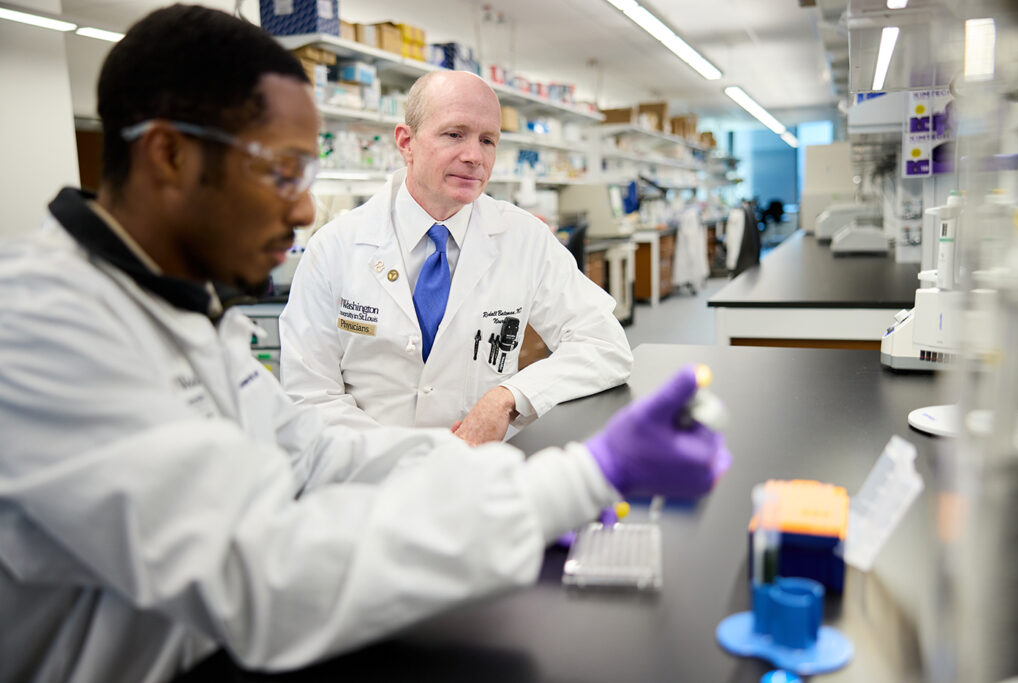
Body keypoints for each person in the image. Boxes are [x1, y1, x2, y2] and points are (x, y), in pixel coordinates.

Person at [0, 6, 731, 682]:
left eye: (309, 171)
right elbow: (262, 574)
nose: (305, 205)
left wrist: (511, 485)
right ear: (168, 156)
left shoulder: (188, 311)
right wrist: (572, 484)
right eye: (282, 169)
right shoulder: (39, 326)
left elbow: (314, 454)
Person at [278, 69, 633, 445]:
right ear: (406, 141)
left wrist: (508, 398)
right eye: (454, 134)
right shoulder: (334, 248)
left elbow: (605, 345)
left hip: (481, 473)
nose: (474, 157)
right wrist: (400, 457)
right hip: (365, 478)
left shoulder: (525, 239)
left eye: (488, 140)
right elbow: (309, 396)